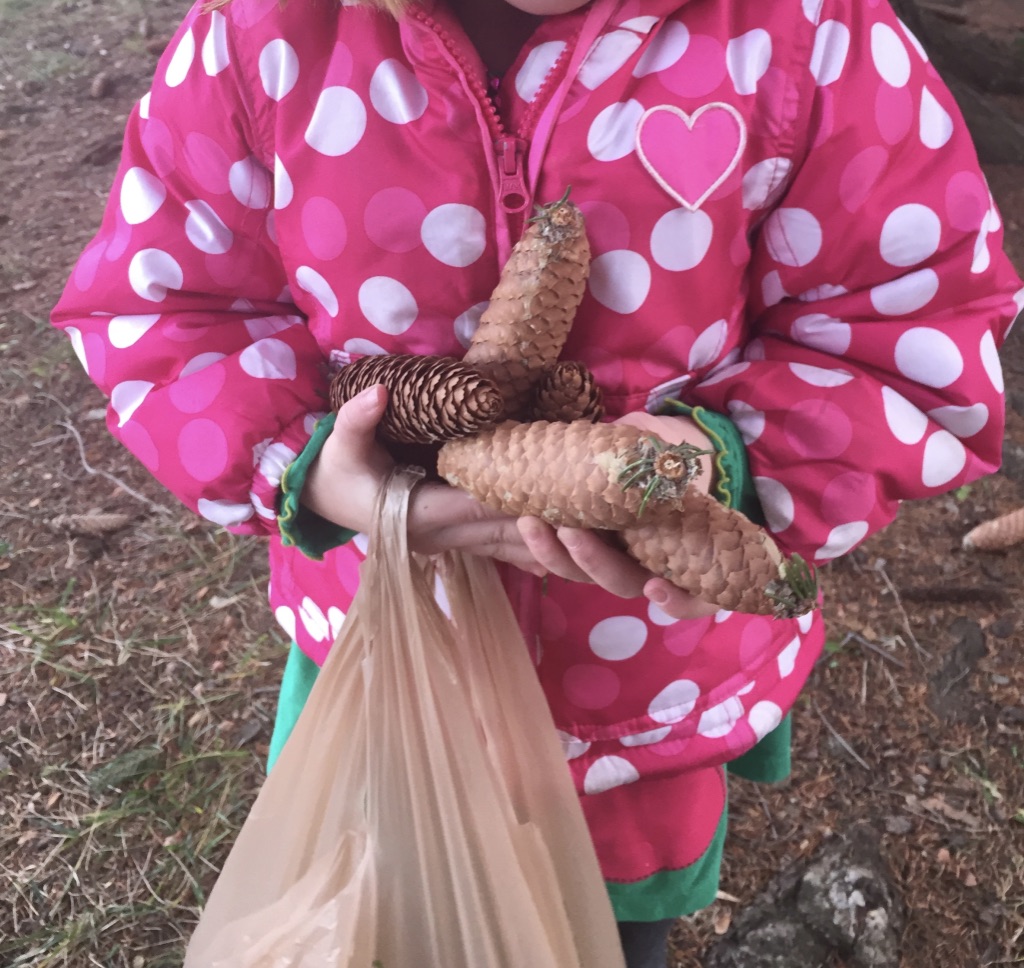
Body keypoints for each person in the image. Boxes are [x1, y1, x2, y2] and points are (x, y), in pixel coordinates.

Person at [51, 0, 1022, 962]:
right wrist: (311, 474)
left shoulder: (809, 36)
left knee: (604, 937)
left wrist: (726, 467)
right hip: (387, 654)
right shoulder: (261, 40)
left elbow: (910, 323)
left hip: (643, 691)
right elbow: (169, 311)